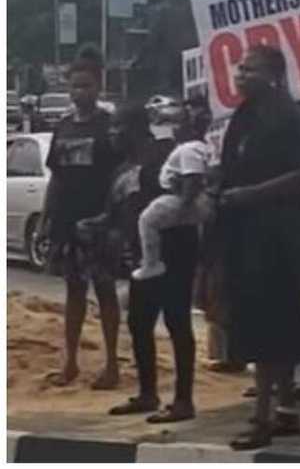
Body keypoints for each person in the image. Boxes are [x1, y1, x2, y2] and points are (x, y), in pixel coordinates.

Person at [219, 45, 300, 450]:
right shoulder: (244, 116)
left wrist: (255, 194)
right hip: (244, 230)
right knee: (262, 323)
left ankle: (262, 417)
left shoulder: (290, 117)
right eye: (240, 68)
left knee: (270, 325)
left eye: (251, 69)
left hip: (278, 234)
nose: (241, 75)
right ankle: (286, 409)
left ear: (274, 75)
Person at [95, 103, 200, 422]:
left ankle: (183, 400)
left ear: (137, 128)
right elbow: (116, 212)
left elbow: (186, 198)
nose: (113, 133)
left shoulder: (164, 156)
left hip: (174, 251)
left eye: (119, 127)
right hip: (142, 257)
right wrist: (97, 226)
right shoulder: (121, 169)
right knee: (139, 322)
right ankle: (147, 393)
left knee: (177, 321)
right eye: (111, 127)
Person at [38, 45, 122, 390]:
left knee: (105, 292)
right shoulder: (63, 127)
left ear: (98, 86)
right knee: (73, 293)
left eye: (86, 85)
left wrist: (112, 218)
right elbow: (56, 178)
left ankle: (112, 364)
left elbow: (121, 177)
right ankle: (70, 362)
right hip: (67, 223)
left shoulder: (110, 127)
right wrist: (45, 219)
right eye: (74, 86)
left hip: (100, 223)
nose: (79, 92)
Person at [131, 99, 212, 280]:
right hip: (189, 199)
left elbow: (193, 178)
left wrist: (183, 205)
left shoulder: (188, 150)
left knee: (147, 220)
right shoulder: (196, 148)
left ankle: (151, 263)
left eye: (178, 125)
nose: (173, 129)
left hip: (185, 200)